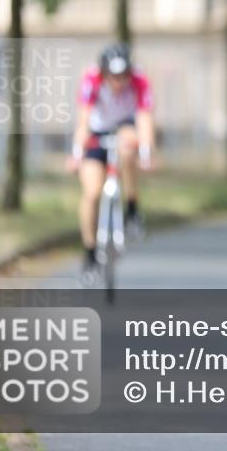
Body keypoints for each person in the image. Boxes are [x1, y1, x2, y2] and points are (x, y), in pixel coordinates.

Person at [67, 43, 154, 278]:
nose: (118, 82)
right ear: (104, 73)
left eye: (123, 76)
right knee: (92, 193)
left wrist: (146, 153)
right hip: (97, 133)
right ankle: (89, 250)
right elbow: (83, 121)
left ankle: (133, 209)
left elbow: (145, 119)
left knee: (127, 147)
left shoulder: (139, 81)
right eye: (113, 77)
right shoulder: (91, 80)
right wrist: (76, 154)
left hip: (124, 128)